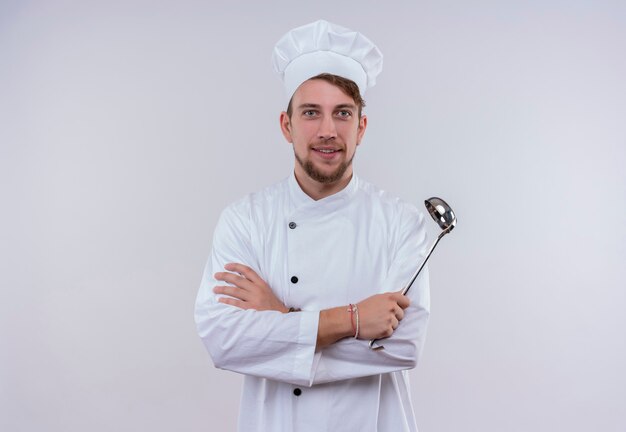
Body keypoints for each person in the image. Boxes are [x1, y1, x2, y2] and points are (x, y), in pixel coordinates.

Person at [195, 20, 430, 432]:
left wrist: (280, 318)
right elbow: (224, 340)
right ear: (287, 126)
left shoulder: (401, 224)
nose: (327, 131)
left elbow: (403, 347)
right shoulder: (245, 220)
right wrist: (353, 320)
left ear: (361, 126)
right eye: (310, 113)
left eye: (342, 113)